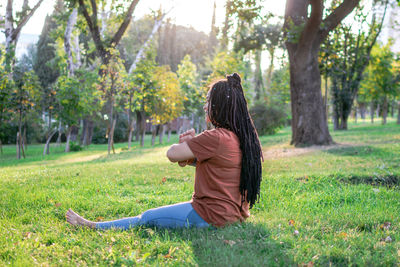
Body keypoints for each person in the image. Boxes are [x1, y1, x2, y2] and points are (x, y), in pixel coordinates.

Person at [66, 73, 263, 230]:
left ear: (219, 106)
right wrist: (193, 151)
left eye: (208, 101)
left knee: (148, 217)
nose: (205, 106)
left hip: (211, 216)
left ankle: (93, 226)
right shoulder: (240, 138)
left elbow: (172, 154)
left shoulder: (215, 137)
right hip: (232, 216)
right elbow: (216, 165)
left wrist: (189, 143)